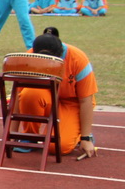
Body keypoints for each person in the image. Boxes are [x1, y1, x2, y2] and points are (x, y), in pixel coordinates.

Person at [16, 27, 97, 157]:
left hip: (71, 103)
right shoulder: (31, 55)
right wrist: (12, 133)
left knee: (58, 147)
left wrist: (85, 137)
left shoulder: (78, 59)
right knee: (28, 93)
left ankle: (77, 134)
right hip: (47, 98)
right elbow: (18, 94)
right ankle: (30, 135)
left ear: (60, 54)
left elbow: (86, 100)